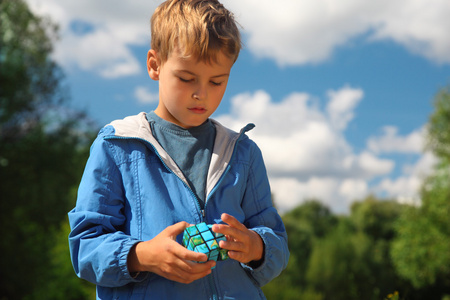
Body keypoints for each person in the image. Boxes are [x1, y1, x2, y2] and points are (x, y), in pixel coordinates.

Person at [68, 0, 289, 299]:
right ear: (154, 65)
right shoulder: (117, 145)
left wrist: (256, 247)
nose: (202, 93)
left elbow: (276, 243)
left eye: (217, 81)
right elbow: (85, 246)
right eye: (186, 78)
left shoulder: (243, 153)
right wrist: (143, 255)